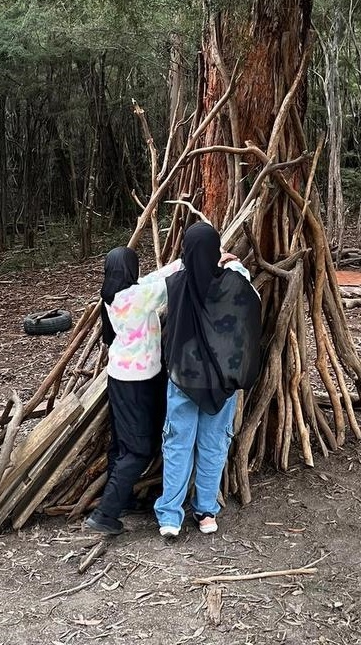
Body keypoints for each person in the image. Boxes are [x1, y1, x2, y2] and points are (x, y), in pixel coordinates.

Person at [154, 222, 261, 538]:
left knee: (177, 445)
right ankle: (206, 513)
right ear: (216, 251)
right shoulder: (233, 282)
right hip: (220, 383)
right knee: (214, 446)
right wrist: (234, 262)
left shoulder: (174, 283)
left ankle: (170, 517)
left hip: (183, 380)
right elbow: (250, 293)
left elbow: (146, 293)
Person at [86, 246, 181, 535]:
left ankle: (123, 498)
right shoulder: (135, 298)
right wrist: (194, 260)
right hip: (136, 383)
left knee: (121, 444)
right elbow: (165, 285)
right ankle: (105, 514)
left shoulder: (114, 294)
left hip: (121, 378)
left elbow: (152, 279)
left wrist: (181, 260)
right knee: (138, 449)